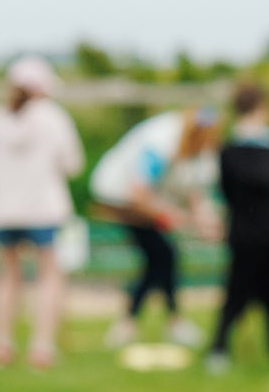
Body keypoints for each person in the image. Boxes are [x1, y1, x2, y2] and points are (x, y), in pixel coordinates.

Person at [88, 105, 221, 349]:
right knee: (162, 256)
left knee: (162, 258)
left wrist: (205, 222)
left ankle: (142, 322)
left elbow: (195, 192)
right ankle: (152, 322)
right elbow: (138, 193)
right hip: (121, 199)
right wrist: (172, 215)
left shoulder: (202, 150)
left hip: (148, 200)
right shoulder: (160, 142)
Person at [0, 55, 84, 369]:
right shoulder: (53, 117)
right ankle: (42, 347)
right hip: (44, 209)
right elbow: (73, 164)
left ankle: (1, 344)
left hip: (5, 210)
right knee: (48, 277)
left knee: (7, 276)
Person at [207, 80, 269, 374]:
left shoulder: (228, 149)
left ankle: (225, 348)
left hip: (245, 226)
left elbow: (226, 188)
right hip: (264, 226)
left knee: (248, 289)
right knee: (255, 289)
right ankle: (265, 349)